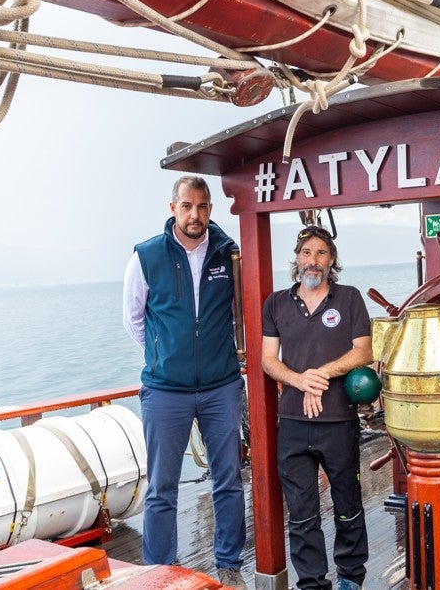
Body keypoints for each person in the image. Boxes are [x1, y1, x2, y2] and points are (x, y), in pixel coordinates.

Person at [123, 175, 246, 588]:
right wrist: (165, 358)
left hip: (221, 385)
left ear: (211, 210)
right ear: (172, 208)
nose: (196, 215)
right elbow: (134, 320)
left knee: (228, 479)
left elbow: (239, 314)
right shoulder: (146, 256)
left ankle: (229, 564)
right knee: (161, 487)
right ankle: (159, 570)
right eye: (187, 206)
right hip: (164, 391)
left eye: (204, 207)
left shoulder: (229, 255)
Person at [260, 226, 373, 590]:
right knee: (302, 511)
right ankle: (311, 583)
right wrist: (297, 381)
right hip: (292, 421)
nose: (314, 260)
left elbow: (363, 351)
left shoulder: (349, 298)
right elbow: (267, 359)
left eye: (322, 253)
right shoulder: (276, 303)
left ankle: (351, 578)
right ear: (297, 258)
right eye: (307, 252)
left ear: (332, 260)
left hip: (338, 419)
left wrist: (317, 376)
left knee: (347, 503)